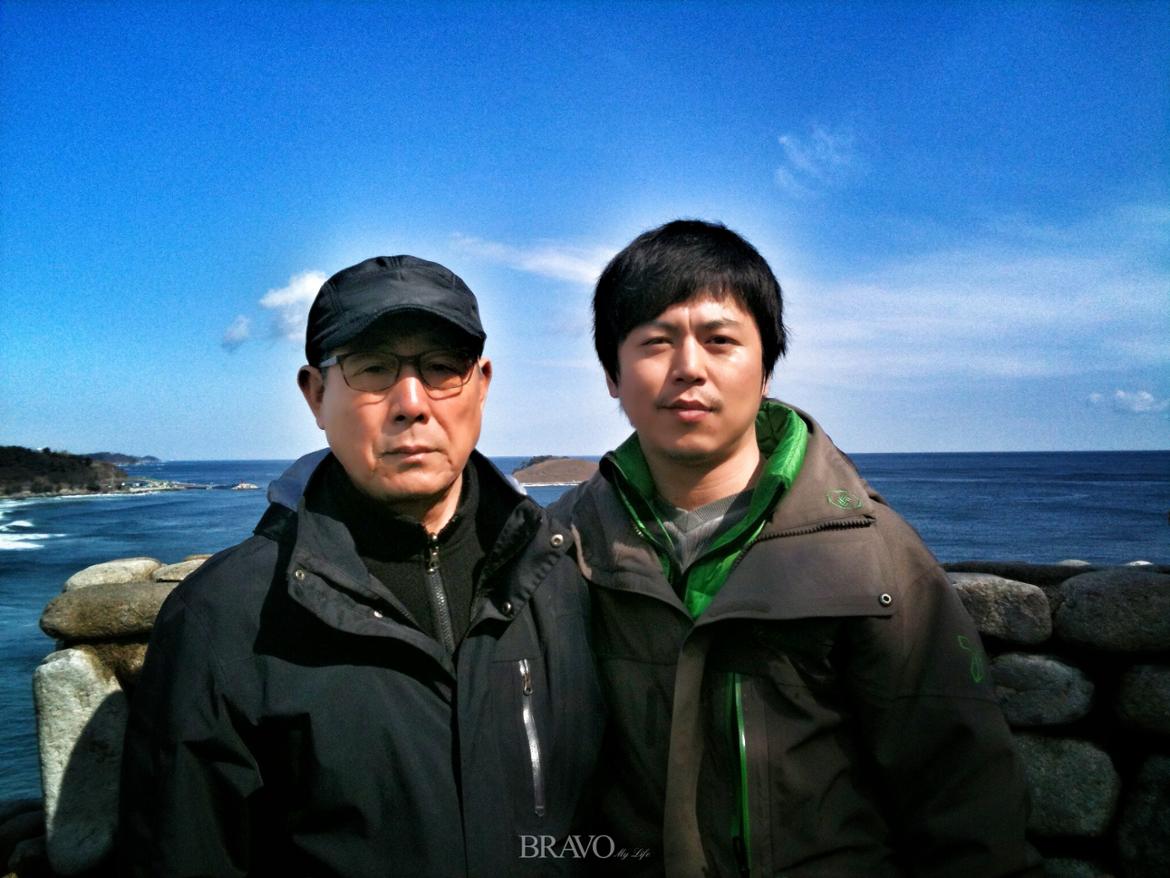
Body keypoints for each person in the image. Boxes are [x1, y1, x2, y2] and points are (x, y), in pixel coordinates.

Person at [551, 221, 1041, 877]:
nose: (688, 368)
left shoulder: (870, 550)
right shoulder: (560, 547)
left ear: (765, 369)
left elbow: (963, 796)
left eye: (720, 341)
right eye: (655, 342)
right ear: (613, 373)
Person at [119, 255, 604, 876]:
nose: (412, 403)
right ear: (316, 395)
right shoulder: (225, 619)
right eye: (373, 368)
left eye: (442, 367)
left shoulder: (558, 577)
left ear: (481, 384)